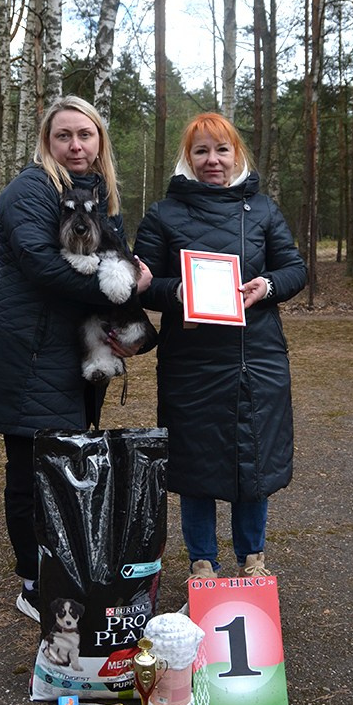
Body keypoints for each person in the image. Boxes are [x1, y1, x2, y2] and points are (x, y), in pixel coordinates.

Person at [0, 95, 152, 620]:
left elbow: (119, 264)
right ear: (47, 141)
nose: (76, 145)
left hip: (70, 351)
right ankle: (34, 584)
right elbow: (42, 264)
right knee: (29, 472)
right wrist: (126, 287)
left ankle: (65, 569)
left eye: (85, 134)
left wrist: (135, 331)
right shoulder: (31, 190)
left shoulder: (100, 196)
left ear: (99, 140)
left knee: (65, 469)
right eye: (64, 135)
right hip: (30, 351)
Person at [134, 112, 306, 580]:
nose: (213, 159)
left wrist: (266, 286)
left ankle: (253, 558)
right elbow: (142, 283)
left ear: (236, 154)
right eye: (202, 151)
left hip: (258, 357)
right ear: (187, 158)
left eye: (222, 149)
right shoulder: (163, 214)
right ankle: (202, 561)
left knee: (254, 462)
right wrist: (177, 291)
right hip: (191, 362)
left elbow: (294, 269)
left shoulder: (263, 209)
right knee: (196, 466)